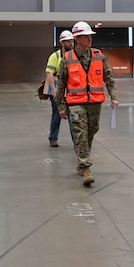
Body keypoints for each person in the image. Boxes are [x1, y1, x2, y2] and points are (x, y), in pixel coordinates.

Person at [56, 21, 119, 186]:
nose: (90, 39)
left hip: (95, 103)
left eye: (90, 36)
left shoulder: (99, 55)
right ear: (77, 39)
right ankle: (85, 168)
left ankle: (81, 160)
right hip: (76, 104)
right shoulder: (67, 59)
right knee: (81, 134)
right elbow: (60, 84)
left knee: (91, 132)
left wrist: (114, 96)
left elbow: (109, 78)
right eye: (86, 36)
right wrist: (60, 107)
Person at [44, 30, 75, 147]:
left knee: (73, 115)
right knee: (57, 114)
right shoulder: (55, 56)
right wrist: (53, 90)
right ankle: (53, 138)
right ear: (62, 43)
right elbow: (49, 73)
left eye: (72, 41)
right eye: (68, 41)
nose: (71, 43)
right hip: (57, 88)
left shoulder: (75, 55)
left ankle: (76, 141)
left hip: (72, 89)